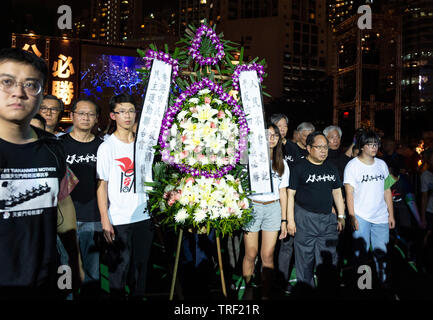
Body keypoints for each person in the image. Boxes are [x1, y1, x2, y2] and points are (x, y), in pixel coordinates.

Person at [0, 48, 83, 299]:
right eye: (7, 82)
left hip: (46, 279)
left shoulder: (52, 147)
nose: (19, 92)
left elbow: (64, 202)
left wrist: (74, 259)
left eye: (31, 85)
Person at [96, 92, 153, 300]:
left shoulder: (144, 145)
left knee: (140, 270)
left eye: (131, 111)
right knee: (118, 271)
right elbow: (102, 185)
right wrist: (105, 219)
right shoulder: (107, 147)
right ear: (113, 116)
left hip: (144, 217)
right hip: (118, 219)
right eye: (122, 112)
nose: (127, 116)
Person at [287, 132, 345, 291]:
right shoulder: (299, 167)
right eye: (319, 147)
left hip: (327, 220)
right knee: (304, 260)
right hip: (305, 219)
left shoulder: (331, 168)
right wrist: (290, 220)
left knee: (327, 259)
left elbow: (337, 193)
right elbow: (290, 195)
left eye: (325, 147)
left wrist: (341, 216)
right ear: (308, 148)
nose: (323, 150)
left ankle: (326, 291)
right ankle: (306, 292)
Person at [61, 98, 104, 299]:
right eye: (81, 113)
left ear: (96, 119)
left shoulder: (103, 147)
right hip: (64, 221)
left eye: (91, 114)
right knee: (65, 270)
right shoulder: (59, 145)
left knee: (93, 273)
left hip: (94, 218)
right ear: (72, 116)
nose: (86, 118)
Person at [242, 123, 289, 299]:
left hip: (273, 208)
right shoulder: (249, 159)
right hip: (253, 207)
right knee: (251, 253)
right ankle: (248, 291)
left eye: (275, 135)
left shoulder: (282, 163)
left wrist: (284, 220)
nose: (272, 138)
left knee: (267, 255)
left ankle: (265, 295)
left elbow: (283, 193)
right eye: (268, 135)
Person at [344, 130, 395, 290]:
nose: (374, 147)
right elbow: (349, 193)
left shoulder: (382, 164)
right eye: (370, 144)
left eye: (376, 144)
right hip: (361, 216)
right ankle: (363, 285)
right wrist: (352, 216)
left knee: (382, 252)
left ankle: (383, 284)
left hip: (381, 216)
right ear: (362, 146)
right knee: (361, 255)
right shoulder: (352, 166)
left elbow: (387, 191)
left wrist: (391, 214)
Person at [270, 114, 295, 294]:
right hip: (266, 204)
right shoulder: (263, 151)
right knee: (266, 249)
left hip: (287, 201)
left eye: (285, 126)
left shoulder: (292, 148)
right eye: (279, 126)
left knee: (284, 244)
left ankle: (281, 280)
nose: (283, 129)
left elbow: (285, 190)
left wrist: (287, 218)